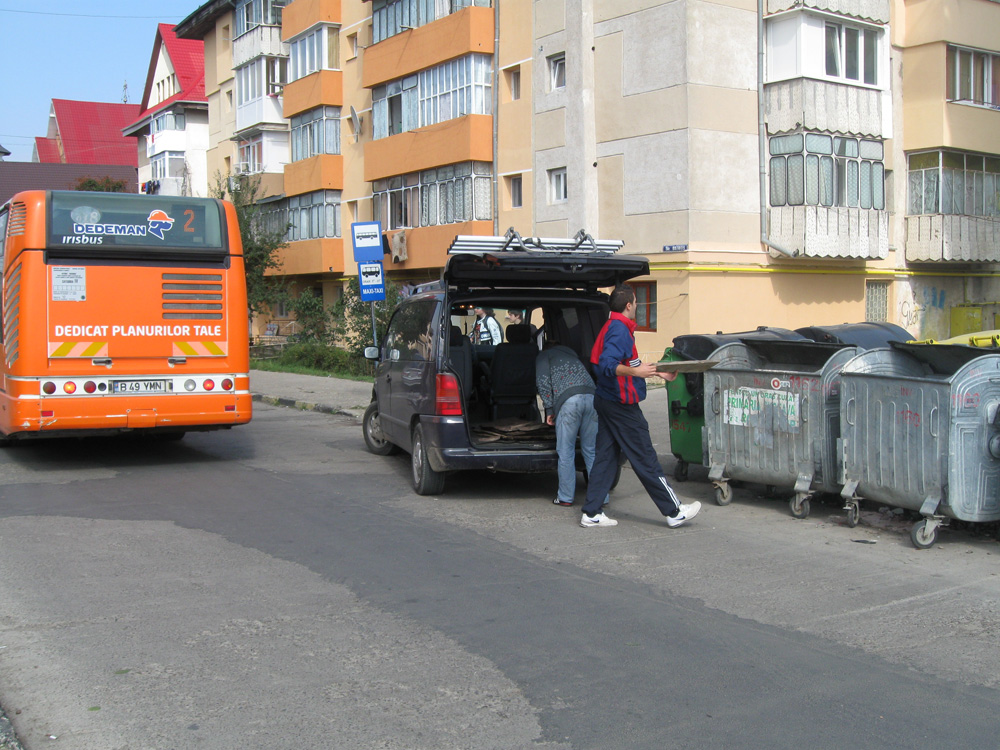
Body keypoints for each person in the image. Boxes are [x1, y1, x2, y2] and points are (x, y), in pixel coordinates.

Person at [580, 284, 702, 529]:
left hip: (607, 401)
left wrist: (659, 373)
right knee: (645, 457)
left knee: (606, 457)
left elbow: (632, 363)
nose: (637, 306)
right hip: (621, 406)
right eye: (636, 302)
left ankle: (591, 512)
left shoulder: (615, 326)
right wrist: (636, 371)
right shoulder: (619, 330)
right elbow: (606, 365)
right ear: (628, 305)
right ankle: (674, 511)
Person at [535, 342, 608, 507]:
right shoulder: (573, 356)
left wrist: (549, 410)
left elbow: (543, 382)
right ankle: (602, 497)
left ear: (545, 347)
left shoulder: (544, 356)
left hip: (568, 402)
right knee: (591, 450)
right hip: (592, 398)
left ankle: (565, 497)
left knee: (566, 450)